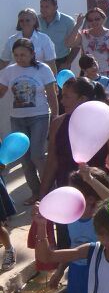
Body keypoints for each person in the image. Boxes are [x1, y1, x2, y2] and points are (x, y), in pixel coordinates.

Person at [0, 38, 58, 201]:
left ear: (32, 54)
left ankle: (50, 191)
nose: (20, 58)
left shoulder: (43, 69)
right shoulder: (9, 71)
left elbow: (52, 95)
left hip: (39, 116)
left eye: (23, 55)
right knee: (24, 159)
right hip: (17, 119)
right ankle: (36, 192)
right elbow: (1, 92)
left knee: (37, 155)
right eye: (16, 55)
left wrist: (55, 117)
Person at [65, 8, 109, 78]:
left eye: (97, 19)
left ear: (103, 19)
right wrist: (78, 25)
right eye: (90, 20)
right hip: (89, 75)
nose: (94, 22)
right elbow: (68, 44)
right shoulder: (83, 35)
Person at [38, 0, 77, 72]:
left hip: (61, 61)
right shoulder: (36, 20)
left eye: (46, 7)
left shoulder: (67, 21)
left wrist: (67, 63)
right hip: (41, 62)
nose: (43, 9)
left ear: (56, 7)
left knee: (61, 84)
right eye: (41, 6)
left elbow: (76, 45)